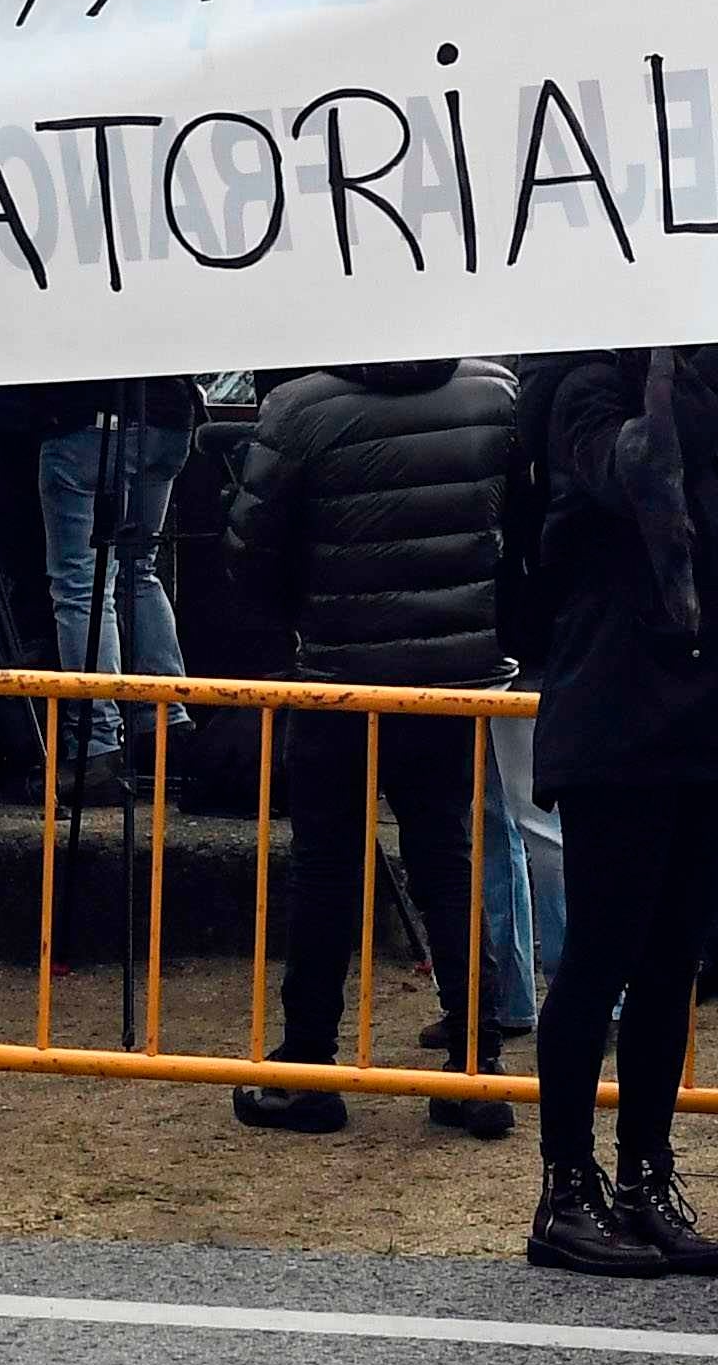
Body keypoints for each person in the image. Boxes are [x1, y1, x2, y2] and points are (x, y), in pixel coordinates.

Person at [519, 341, 718, 1277]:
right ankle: (565, 1187)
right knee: (600, 955)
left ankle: (645, 1176)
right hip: (615, 715)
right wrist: (713, 367)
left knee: (675, 961)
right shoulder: (583, 381)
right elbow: (641, 466)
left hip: (709, 712)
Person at [219, 357, 522, 1138]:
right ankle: (477, 1066)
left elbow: (250, 550)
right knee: (448, 859)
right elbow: (520, 531)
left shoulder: (298, 409)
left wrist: (301, 625)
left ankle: (309, 1065)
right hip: (454, 676)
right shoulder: (494, 393)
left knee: (326, 867)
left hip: (338, 674)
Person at [39, 379, 202, 790]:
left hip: (93, 422)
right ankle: (166, 721)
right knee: (138, 570)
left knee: (81, 585)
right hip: (169, 419)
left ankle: (97, 744)